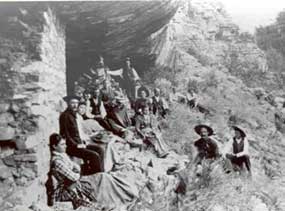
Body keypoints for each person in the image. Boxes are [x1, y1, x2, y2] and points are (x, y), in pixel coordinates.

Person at [47, 133, 96, 209]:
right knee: (86, 204)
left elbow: (76, 166)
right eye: (62, 144)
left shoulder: (63, 155)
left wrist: (75, 170)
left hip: (71, 185)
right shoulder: (57, 162)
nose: (65, 146)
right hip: (64, 191)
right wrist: (76, 172)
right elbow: (74, 177)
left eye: (65, 144)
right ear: (54, 146)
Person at [59, 95, 104, 174]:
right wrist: (76, 145)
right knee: (94, 156)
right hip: (71, 147)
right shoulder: (65, 116)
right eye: (72, 103)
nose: (75, 105)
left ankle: (101, 174)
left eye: (76, 103)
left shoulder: (74, 115)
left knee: (100, 149)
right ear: (68, 104)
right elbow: (65, 135)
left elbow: (78, 133)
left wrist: (82, 142)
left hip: (79, 144)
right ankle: (96, 176)